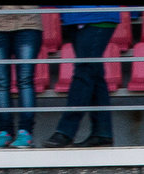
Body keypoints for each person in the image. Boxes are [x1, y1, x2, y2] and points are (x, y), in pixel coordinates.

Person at [43, 5, 119, 147]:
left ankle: (66, 131)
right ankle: (102, 132)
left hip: (97, 15)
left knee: (83, 72)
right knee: (94, 73)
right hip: (74, 16)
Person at [0, 5, 44, 149]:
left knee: (26, 79)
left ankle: (26, 132)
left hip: (28, 21)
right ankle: (5, 133)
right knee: (1, 82)